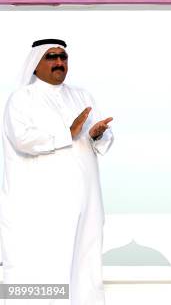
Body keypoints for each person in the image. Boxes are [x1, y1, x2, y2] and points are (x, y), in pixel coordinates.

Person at [0, 39, 113, 305]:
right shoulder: (21, 99)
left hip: (86, 204)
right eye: (51, 57)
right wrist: (67, 133)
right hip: (42, 208)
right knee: (44, 268)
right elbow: (23, 140)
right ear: (35, 64)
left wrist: (96, 135)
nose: (59, 63)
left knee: (84, 269)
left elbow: (99, 138)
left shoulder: (82, 96)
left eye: (63, 57)